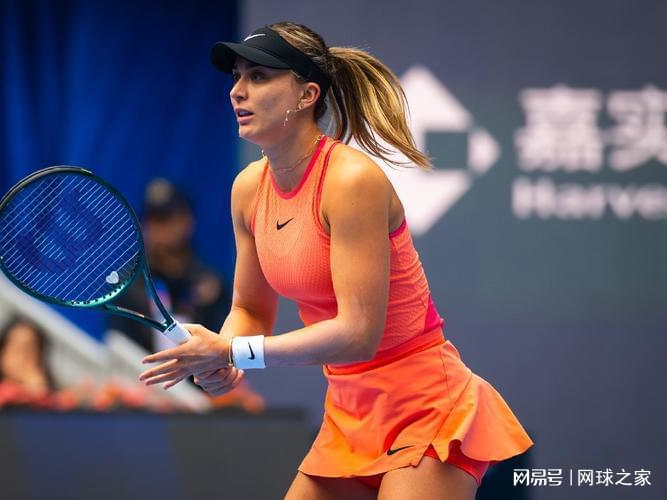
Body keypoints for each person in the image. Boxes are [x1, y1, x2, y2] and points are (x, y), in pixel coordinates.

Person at [140, 22, 533, 499]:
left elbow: (357, 334)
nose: (237, 91)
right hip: (348, 412)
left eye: (258, 76)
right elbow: (250, 308)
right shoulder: (247, 189)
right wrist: (224, 354)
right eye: (237, 76)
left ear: (307, 95)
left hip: (425, 406)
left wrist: (234, 352)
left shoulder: (351, 181)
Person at [109, 178, 231, 352]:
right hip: (140, 368)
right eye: (154, 219)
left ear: (188, 220)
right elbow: (120, 347)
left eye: (169, 217)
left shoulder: (213, 285)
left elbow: (224, 347)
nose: (162, 228)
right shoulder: (127, 284)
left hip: (201, 369)